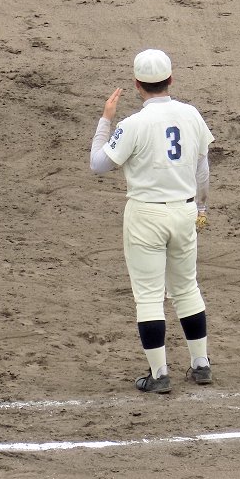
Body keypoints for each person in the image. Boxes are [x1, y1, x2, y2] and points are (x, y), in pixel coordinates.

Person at [89, 49, 214, 393]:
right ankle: (201, 364)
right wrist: (201, 208)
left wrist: (105, 121)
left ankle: (159, 374)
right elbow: (203, 168)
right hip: (185, 211)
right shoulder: (191, 114)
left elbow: (98, 164)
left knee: (148, 296)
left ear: (137, 84)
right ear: (170, 79)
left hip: (146, 215)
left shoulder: (133, 124)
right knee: (187, 288)